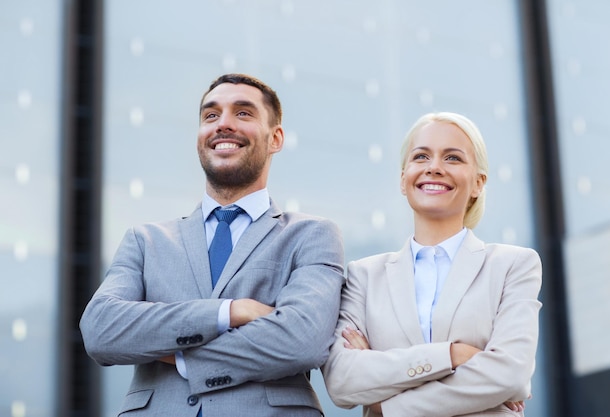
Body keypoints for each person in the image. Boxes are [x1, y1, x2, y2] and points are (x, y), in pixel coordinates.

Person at [80, 73, 345, 417]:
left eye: (243, 113)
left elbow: (302, 340)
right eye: (211, 115)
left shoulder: (312, 235)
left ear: (275, 138)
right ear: (199, 137)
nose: (223, 124)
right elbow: (101, 329)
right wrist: (230, 312)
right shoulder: (145, 241)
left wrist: (175, 354)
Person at [322, 112, 542, 416]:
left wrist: (384, 404)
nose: (434, 168)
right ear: (403, 178)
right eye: (421, 156)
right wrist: (452, 355)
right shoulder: (364, 275)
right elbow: (342, 381)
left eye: (452, 158)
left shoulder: (513, 265)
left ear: (478, 183)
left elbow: (511, 375)